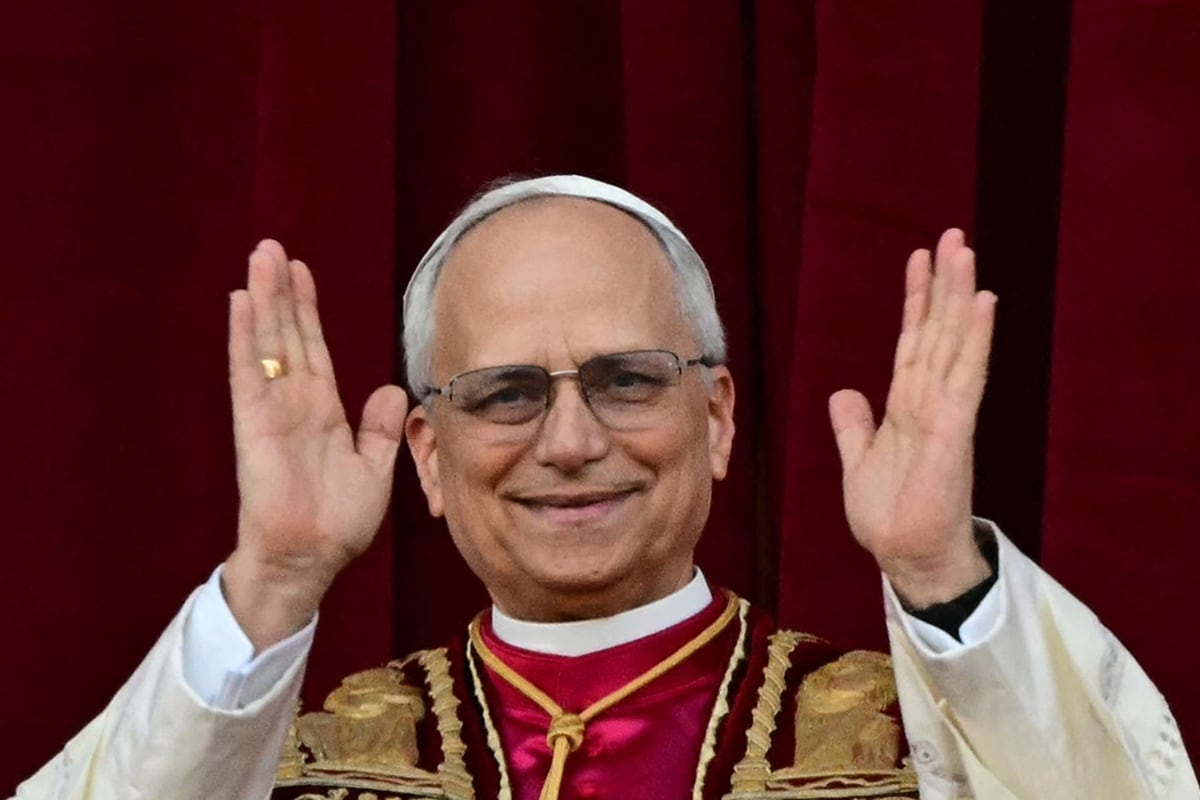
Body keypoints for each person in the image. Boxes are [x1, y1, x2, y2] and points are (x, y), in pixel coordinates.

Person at [13, 176, 1197, 800]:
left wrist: (943, 574)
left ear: (719, 418)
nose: (572, 441)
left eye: (629, 379)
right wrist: (271, 582)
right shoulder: (319, 763)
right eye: (507, 391)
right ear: (424, 450)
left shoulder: (907, 749)